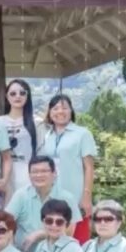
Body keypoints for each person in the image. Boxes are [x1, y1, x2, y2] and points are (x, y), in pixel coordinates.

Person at [37, 94, 97, 242]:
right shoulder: (47, 135)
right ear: (50, 112)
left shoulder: (82, 134)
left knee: (77, 242)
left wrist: (87, 196)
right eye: (55, 108)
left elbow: (89, 167)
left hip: (75, 195)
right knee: (52, 240)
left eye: (64, 108)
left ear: (71, 111)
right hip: (51, 197)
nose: (60, 112)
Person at [5, 156, 80, 251]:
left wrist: (40, 234)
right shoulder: (21, 195)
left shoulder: (67, 198)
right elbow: (5, 222)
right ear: (29, 175)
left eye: (44, 171)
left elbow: (69, 232)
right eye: (34, 172)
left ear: (54, 173)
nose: (39, 175)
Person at [0, 79, 37, 195]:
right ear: (7, 96)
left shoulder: (37, 123)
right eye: (13, 93)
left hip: (26, 174)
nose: (18, 96)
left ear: (27, 96)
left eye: (22, 93)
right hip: (2, 173)